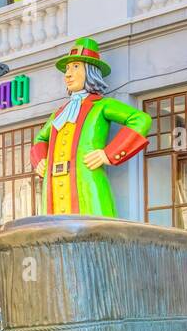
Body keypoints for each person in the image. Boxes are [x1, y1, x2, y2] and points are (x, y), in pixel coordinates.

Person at [31, 37, 152, 218]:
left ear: (90, 71)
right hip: (53, 189)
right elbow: (40, 138)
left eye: (76, 67)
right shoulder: (58, 113)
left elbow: (140, 119)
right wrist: (40, 160)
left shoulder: (102, 105)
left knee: (96, 231)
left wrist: (108, 154)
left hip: (87, 183)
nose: (68, 74)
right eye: (67, 69)